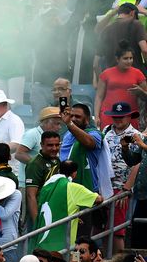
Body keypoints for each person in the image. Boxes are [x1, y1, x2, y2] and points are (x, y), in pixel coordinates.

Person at [30, 161, 103, 252]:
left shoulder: (47, 186)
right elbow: (98, 199)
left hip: (43, 240)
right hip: (62, 244)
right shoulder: (73, 187)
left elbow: (56, 207)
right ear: (74, 173)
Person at [102, 102, 140, 253]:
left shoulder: (136, 135)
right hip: (105, 186)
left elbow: (138, 163)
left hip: (121, 186)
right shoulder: (106, 131)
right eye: (115, 117)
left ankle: (119, 261)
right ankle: (105, 259)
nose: (118, 120)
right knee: (104, 227)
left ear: (129, 116)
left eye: (121, 117)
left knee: (117, 230)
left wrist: (127, 187)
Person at [60, 103, 113, 199]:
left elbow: (89, 142)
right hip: (66, 185)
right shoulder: (68, 134)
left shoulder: (95, 134)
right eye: (71, 116)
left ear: (87, 119)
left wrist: (69, 124)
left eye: (78, 116)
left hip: (88, 188)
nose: (73, 119)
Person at [94, 43, 147, 128]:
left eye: (131, 58)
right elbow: (99, 97)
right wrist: (96, 116)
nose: (129, 61)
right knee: (107, 139)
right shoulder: (106, 73)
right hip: (108, 114)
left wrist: (140, 92)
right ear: (117, 59)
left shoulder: (138, 74)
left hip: (130, 115)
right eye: (125, 58)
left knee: (129, 140)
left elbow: (145, 96)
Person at [15, 107, 62, 189]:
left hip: (43, 184)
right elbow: (19, 154)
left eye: (60, 124)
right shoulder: (32, 134)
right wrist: (39, 166)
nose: (59, 127)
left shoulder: (53, 137)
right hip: (27, 184)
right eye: (56, 124)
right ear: (45, 122)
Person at [24, 131, 61, 225]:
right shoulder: (35, 164)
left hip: (54, 210)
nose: (54, 148)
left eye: (57, 145)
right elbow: (31, 195)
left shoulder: (56, 160)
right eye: (50, 145)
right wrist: (37, 222)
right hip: (41, 212)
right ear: (42, 145)